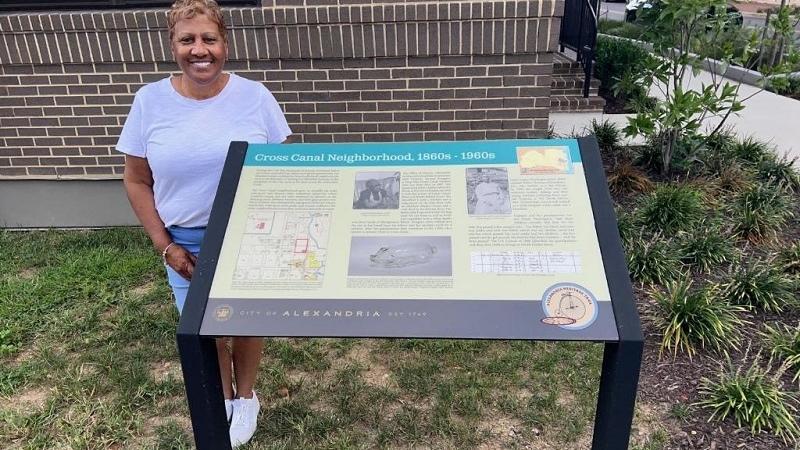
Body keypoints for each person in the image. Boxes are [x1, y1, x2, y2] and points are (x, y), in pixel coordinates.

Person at [116, 0, 291, 447]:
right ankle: (226, 398)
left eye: (208, 38)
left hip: (252, 235)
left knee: (248, 322)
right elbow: (137, 179)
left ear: (224, 43)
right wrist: (164, 245)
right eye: (187, 39)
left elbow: (286, 169)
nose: (199, 50)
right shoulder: (150, 101)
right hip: (186, 245)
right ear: (172, 45)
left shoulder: (255, 97)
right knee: (206, 329)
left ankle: (246, 395)